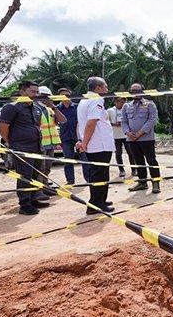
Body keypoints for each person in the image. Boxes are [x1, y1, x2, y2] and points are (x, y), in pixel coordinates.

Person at [0, 80, 50, 215]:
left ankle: (34, 199)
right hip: (22, 148)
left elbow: (37, 126)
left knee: (35, 174)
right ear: (22, 92)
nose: (36, 95)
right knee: (24, 176)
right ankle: (25, 204)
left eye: (37, 92)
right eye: (32, 92)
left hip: (37, 147)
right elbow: (3, 127)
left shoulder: (36, 108)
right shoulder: (12, 107)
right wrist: (9, 142)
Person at [76, 77, 115, 215]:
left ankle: (100, 200)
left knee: (100, 174)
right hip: (99, 144)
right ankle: (95, 205)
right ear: (98, 88)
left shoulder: (84, 100)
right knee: (99, 175)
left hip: (96, 144)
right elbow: (91, 123)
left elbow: (81, 123)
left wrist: (82, 141)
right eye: (105, 86)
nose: (107, 90)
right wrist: (84, 143)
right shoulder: (96, 99)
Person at [122, 83, 161, 194]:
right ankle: (142, 182)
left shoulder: (150, 104)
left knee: (151, 160)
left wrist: (140, 133)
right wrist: (128, 133)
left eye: (137, 90)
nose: (135, 93)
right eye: (132, 90)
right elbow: (124, 121)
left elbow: (152, 120)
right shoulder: (126, 106)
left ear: (142, 92)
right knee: (138, 161)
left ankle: (156, 182)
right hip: (132, 139)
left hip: (146, 139)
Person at [56, 87, 90, 184]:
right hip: (65, 138)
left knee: (84, 159)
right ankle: (70, 180)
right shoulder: (57, 109)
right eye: (62, 95)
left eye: (67, 94)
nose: (65, 97)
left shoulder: (77, 107)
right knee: (68, 160)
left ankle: (88, 179)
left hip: (79, 137)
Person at [36, 86, 66, 193]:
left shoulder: (50, 109)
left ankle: (45, 185)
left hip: (51, 143)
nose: (46, 99)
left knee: (47, 168)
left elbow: (63, 120)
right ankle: (43, 189)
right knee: (41, 168)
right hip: (41, 144)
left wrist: (53, 107)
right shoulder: (34, 109)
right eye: (43, 96)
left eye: (48, 97)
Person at [107, 97, 134, 178]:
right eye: (120, 102)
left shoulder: (128, 109)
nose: (122, 104)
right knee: (118, 154)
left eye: (124, 102)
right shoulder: (110, 111)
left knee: (131, 153)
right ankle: (121, 170)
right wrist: (114, 124)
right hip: (115, 136)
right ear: (115, 102)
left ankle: (134, 169)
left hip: (127, 135)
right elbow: (106, 123)